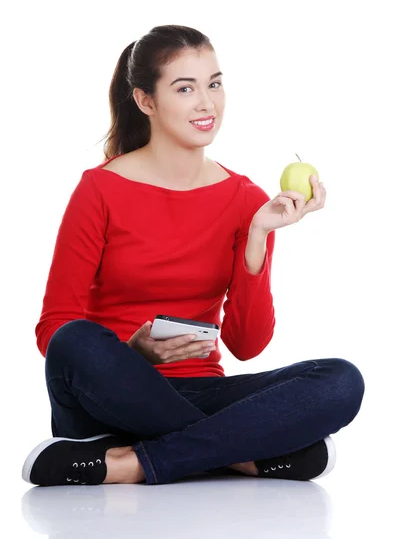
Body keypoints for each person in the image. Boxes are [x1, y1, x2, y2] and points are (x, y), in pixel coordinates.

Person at [22, 24, 365, 487]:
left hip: (201, 391)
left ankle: (133, 463)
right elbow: (53, 330)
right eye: (185, 88)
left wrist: (258, 235)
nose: (207, 103)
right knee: (74, 340)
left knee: (341, 380)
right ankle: (240, 456)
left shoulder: (247, 200)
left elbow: (247, 345)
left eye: (215, 83)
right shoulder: (99, 189)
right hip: (110, 396)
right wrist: (132, 355)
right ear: (146, 100)